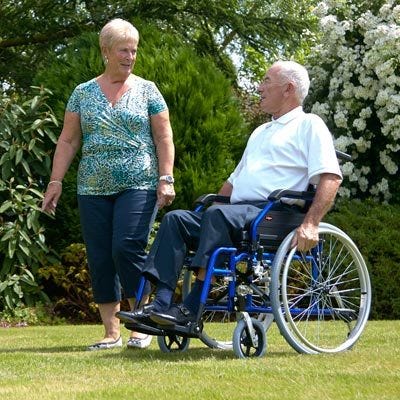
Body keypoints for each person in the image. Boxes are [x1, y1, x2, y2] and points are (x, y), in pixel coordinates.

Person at [116, 60, 342, 328]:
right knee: (176, 219)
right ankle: (160, 304)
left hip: (273, 215)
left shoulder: (309, 125)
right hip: (235, 215)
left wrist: (311, 224)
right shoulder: (261, 131)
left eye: (267, 81)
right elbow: (235, 181)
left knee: (217, 215)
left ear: (288, 88)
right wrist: (214, 202)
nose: (260, 88)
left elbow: (331, 176)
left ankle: (191, 308)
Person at [41, 18, 175, 350]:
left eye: (134, 50)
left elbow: (163, 137)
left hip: (138, 182)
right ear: (105, 51)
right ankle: (111, 332)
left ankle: (140, 325)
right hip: (92, 186)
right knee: (100, 255)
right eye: (123, 50)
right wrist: (55, 181)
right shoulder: (82, 93)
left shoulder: (148, 90)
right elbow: (69, 141)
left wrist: (166, 177)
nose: (130, 57)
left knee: (126, 247)